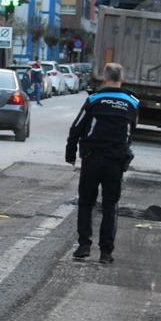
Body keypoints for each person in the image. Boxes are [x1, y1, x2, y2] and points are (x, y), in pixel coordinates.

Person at [66, 63, 138, 265]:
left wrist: (70, 154)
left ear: (104, 78)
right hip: (116, 160)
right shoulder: (132, 103)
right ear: (121, 80)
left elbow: (76, 128)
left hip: (92, 158)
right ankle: (106, 252)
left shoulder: (93, 100)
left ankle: (84, 246)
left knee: (86, 202)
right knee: (110, 205)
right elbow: (132, 130)